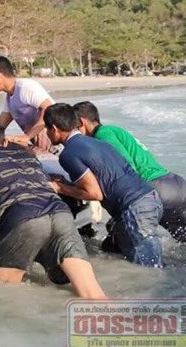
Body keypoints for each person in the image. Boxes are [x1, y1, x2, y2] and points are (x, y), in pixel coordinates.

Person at [0, 119, 107, 299]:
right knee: (93, 294)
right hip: (60, 213)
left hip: (24, 217)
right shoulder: (27, 155)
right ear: (4, 142)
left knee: (7, 295)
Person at [73, 101, 186, 245]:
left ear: (82, 122)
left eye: (74, 128)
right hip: (177, 186)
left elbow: (125, 166)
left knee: (117, 245)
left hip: (153, 188)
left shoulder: (102, 135)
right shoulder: (115, 130)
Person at [43, 103, 164, 267]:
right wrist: (67, 183)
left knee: (150, 270)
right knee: (114, 251)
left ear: (54, 129)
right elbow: (106, 176)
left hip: (134, 209)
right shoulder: (98, 142)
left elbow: (95, 194)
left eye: (46, 129)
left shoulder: (69, 153)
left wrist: (60, 188)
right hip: (150, 199)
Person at [0, 55, 55, 152]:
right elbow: (0, 125)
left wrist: (27, 136)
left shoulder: (25, 87)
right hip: (40, 146)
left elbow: (49, 109)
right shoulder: (10, 97)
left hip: (56, 144)